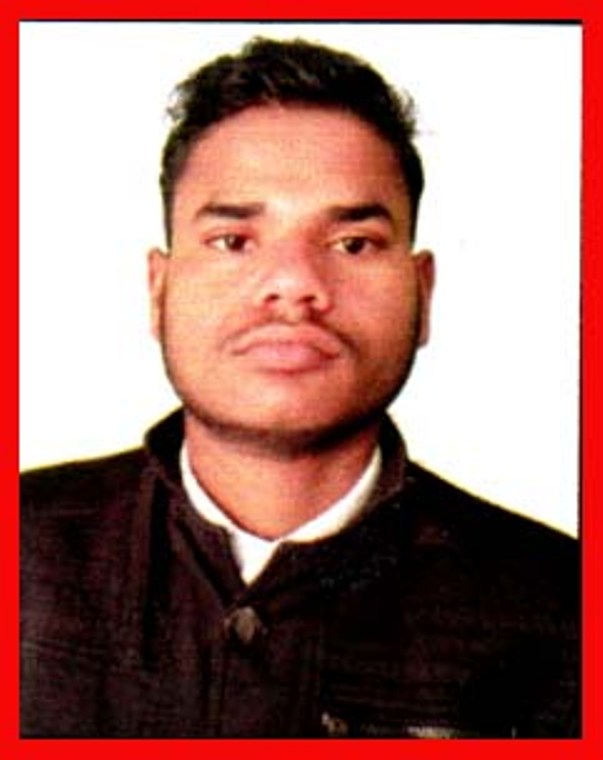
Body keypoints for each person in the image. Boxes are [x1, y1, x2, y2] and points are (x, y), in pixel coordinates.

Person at [20, 37, 579, 738]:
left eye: (352, 244)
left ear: (423, 292)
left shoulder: (565, 613)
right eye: (234, 241)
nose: (293, 284)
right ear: (158, 290)